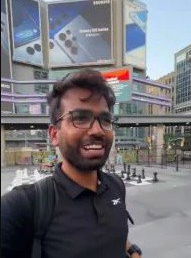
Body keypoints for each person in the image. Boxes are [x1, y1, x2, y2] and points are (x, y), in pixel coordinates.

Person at [1, 69, 142, 258]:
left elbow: (113, 232)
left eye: (105, 120)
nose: (98, 130)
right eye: (80, 118)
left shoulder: (116, 185)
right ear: (53, 134)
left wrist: (132, 251)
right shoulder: (21, 206)